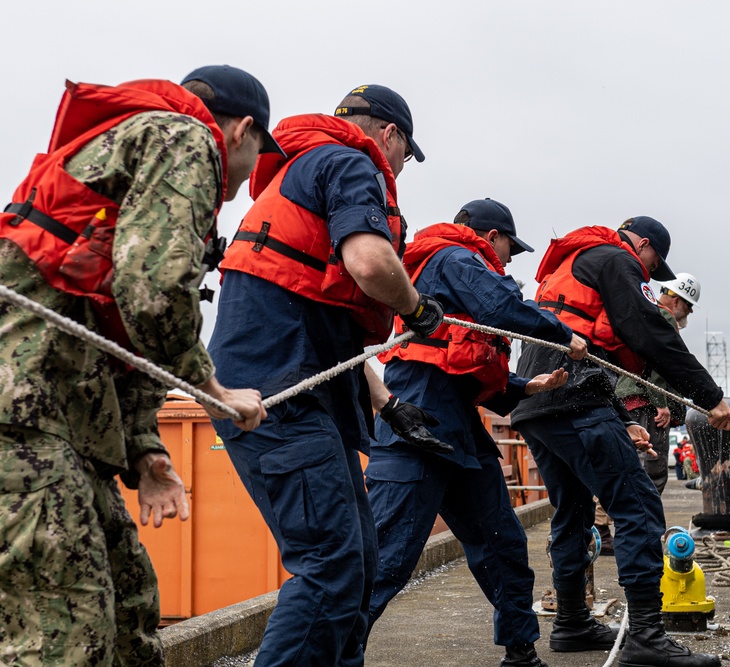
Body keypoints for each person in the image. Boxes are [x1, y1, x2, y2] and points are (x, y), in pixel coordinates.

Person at [0, 65, 273, 666]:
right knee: (62, 633)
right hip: (21, 416)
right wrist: (214, 391)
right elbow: (154, 290)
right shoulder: (184, 139)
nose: (253, 171)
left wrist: (146, 451)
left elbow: (120, 327)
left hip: (65, 426)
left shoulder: (139, 149)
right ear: (243, 130)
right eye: (260, 153)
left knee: (127, 607)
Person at [206, 84, 445, 667]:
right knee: (332, 565)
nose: (398, 170)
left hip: (293, 389)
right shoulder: (347, 161)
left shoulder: (297, 174)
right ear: (389, 134)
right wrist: (415, 309)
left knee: (358, 559)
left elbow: (319, 318)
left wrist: (387, 404)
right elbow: (368, 262)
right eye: (404, 157)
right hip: (277, 398)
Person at [365, 198, 588, 667]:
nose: (509, 261)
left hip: (458, 431)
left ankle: (521, 653)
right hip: (415, 427)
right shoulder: (455, 257)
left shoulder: (451, 268)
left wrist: (527, 385)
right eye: (510, 249)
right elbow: (500, 304)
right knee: (386, 560)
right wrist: (559, 332)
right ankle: (330, 654)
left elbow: (458, 362)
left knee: (503, 541)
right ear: (491, 237)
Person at [510, 218, 730, 667]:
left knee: (571, 511)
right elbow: (650, 332)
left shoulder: (579, 261)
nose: (651, 275)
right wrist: (711, 398)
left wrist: (621, 419)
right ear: (644, 246)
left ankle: (572, 622)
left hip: (538, 404)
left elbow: (592, 355)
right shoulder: (617, 261)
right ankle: (646, 638)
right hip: (572, 401)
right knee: (638, 507)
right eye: (654, 265)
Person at [614, 273, 703, 495]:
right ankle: (646, 527)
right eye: (689, 305)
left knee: (626, 464)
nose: (690, 311)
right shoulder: (665, 317)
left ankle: (608, 526)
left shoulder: (645, 311)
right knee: (652, 470)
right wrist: (661, 404)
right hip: (648, 403)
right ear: (677, 301)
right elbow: (661, 361)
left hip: (627, 399)